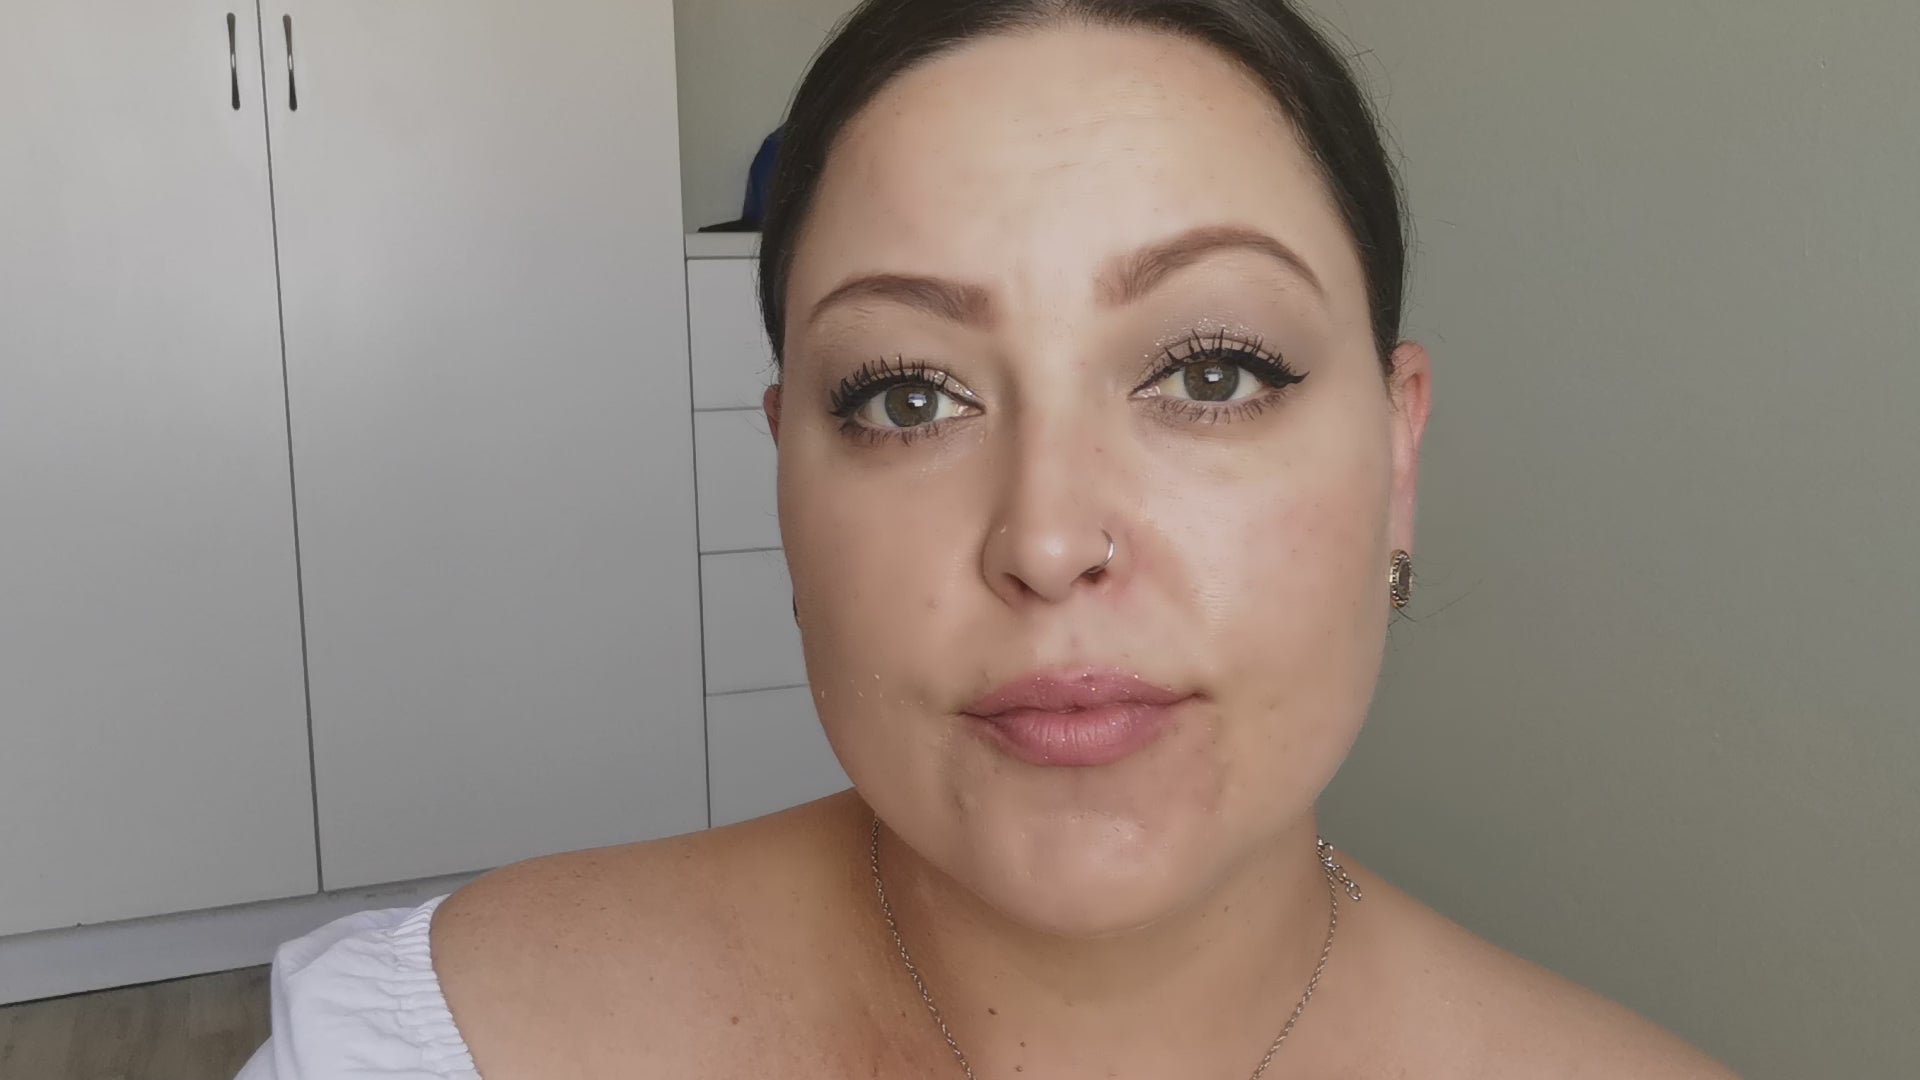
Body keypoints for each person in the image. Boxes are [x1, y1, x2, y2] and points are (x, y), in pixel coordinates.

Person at [239, 1, 1743, 1076]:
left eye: (1213, 373)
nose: (1049, 538)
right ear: (786, 482)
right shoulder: (423, 1043)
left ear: (1397, 456)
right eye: (907, 395)